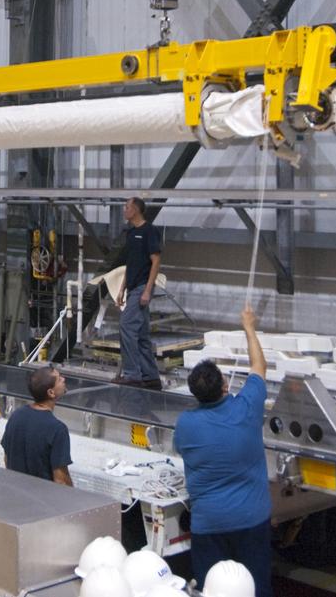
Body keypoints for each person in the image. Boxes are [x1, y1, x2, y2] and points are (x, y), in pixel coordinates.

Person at [172, 305, 272, 597]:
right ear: (225, 385)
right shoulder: (247, 408)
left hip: (210, 525)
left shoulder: (186, 424)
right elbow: (259, 367)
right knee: (256, 587)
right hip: (252, 520)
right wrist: (249, 327)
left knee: (213, 589)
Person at [114, 197, 162, 390]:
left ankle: (133, 374)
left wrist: (148, 290)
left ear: (135, 209)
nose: (124, 211)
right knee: (141, 333)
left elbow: (156, 261)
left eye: (126, 207)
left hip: (143, 287)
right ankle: (151, 377)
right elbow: (130, 264)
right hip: (133, 287)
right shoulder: (131, 233)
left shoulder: (149, 231)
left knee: (126, 326)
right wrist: (122, 288)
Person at [0, 366, 73, 486]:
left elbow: (7, 458)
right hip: (42, 500)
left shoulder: (16, 416)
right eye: (59, 379)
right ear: (51, 392)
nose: (64, 379)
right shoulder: (57, 429)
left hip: (15, 494)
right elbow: (61, 481)